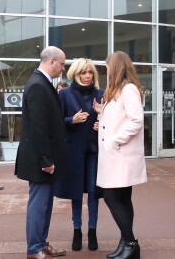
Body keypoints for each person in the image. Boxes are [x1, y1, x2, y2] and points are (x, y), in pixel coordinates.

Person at [93, 51, 147, 259]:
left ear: (115, 67)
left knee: (111, 197)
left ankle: (130, 242)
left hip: (121, 155)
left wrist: (115, 139)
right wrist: (102, 112)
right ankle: (126, 242)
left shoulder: (129, 89)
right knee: (122, 199)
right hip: (117, 155)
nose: (106, 70)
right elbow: (120, 117)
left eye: (107, 67)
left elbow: (136, 120)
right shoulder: (118, 90)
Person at [15, 46, 67, 259]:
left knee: (45, 205)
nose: (63, 69)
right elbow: (38, 127)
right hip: (40, 160)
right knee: (39, 205)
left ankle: (40, 244)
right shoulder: (38, 85)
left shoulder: (41, 83)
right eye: (62, 64)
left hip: (44, 158)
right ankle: (34, 249)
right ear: (52, 61)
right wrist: (46, 159)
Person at [54, 58, 103, 251]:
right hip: (73, 151)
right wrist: (71, 120)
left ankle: (92, 231)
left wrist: (103, 125)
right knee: (75, 192)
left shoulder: (101, 94)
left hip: (94, 150)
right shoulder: (65, 94)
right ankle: (77, 231)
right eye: (84, 72)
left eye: (90, 72)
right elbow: (57, 121)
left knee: (93, 191)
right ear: (75, 74)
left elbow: (111, 118)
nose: (88, 76)